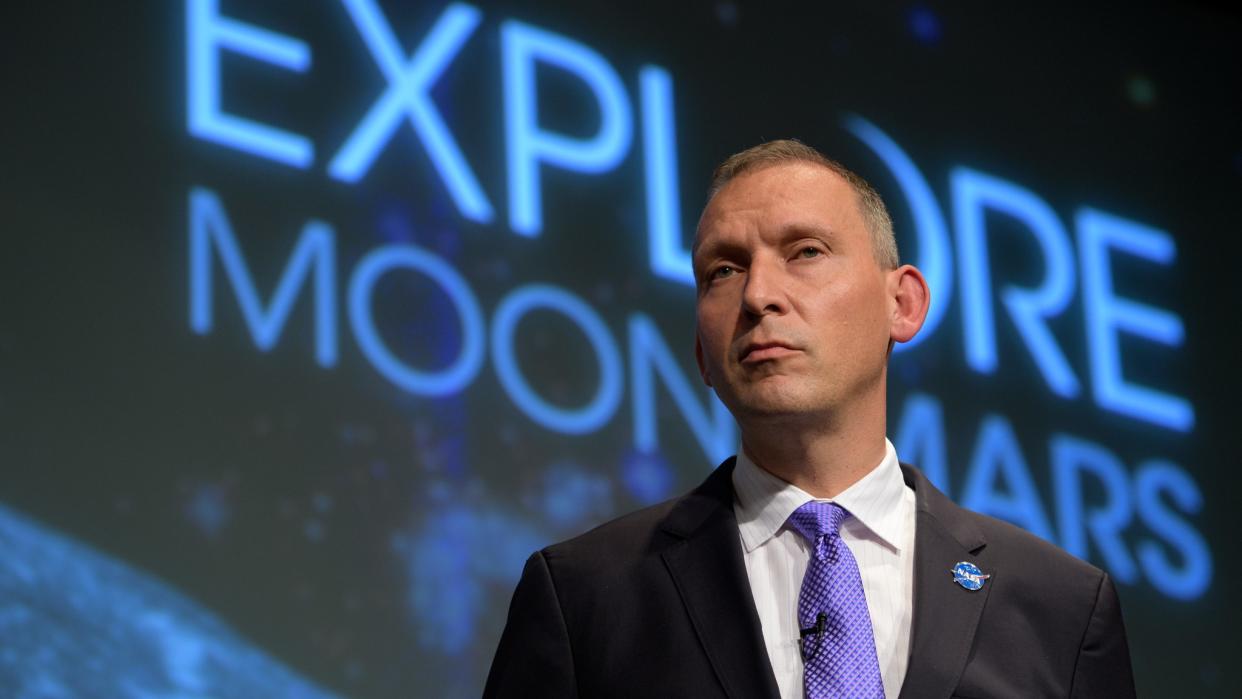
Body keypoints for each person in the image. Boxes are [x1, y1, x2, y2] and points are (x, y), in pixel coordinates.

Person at [483, 140, 1135, 698]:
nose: (759, 295)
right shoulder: (585, 596)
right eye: (724, 269)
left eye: (805, 252)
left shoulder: (1062, 607)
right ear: (701, 355)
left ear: (902, 303)